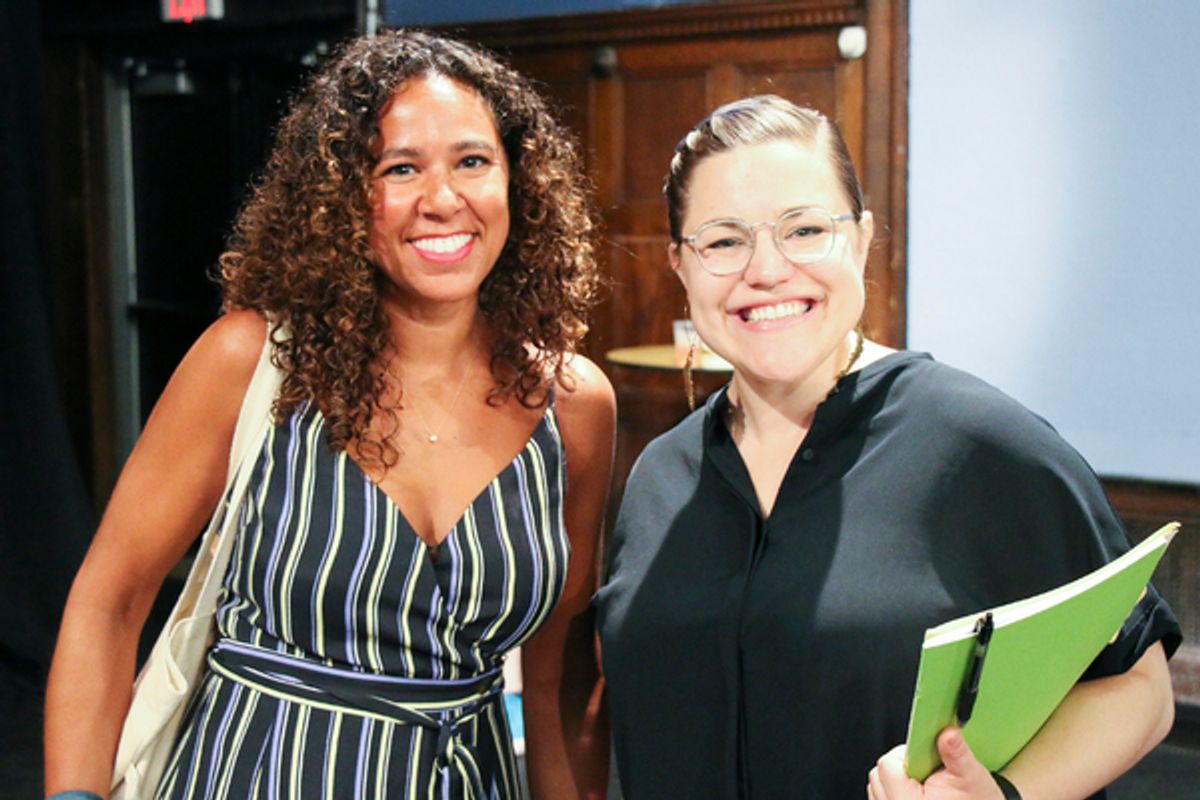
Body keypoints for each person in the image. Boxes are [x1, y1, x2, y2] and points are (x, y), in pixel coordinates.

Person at [44, 30, 613, 800]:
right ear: (343, 196)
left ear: (519, 182)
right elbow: (109, 601)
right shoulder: (252, 363)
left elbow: (560, 681)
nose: (442, 199)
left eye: (472, 161)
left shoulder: (574, 406)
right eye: (400, 168)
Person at [595, 94, 1180, 799]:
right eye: (722, 241)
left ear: (864, 239)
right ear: (680, 266)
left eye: (805, 229)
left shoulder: (981, 444)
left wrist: (1008, 793)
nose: (767, 269)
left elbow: (1138, 689)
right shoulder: (661, 474)